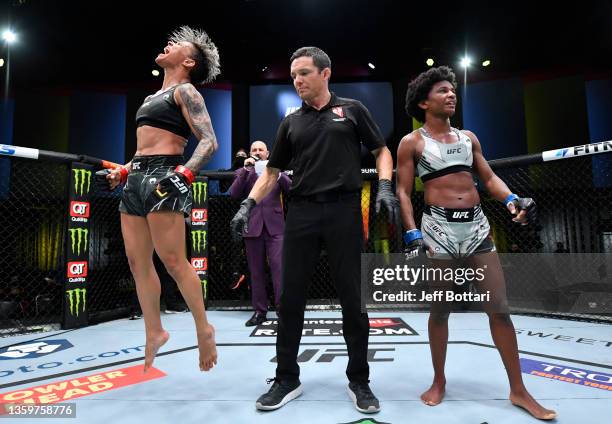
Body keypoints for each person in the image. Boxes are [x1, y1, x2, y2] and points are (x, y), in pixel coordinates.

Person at [231, 46, 399, 413]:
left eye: (304, 73)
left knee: (353, 299)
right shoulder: (291, 122)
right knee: (290, 299)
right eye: (293, 76)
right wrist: (248, 204)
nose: (297, 81)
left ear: (325, 74)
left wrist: (384, 185)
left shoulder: (353, 110)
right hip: (303, 213)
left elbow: (381, 150)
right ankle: (287, 378)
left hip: (344, 210)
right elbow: (272, 172)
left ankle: (360, 381)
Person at [396, 66, 556, 420]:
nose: (451, 94)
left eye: (452, 90)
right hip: (438, 231)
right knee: (440, 311)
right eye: (442, 90)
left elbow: (488, 177)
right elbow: (403, 192)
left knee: (499, 307)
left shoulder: (469, 137)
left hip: (477, 230)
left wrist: (512, 199)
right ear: (424, 101)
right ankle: (438, 380)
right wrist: (412, 233)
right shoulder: (413, 143)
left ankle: (518, 389)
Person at [95, 26, 220, 373]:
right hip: (136, 179)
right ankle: (154, 330)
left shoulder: (187, 91)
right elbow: (142, 150)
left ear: (189, 60)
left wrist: (185, 174)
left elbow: (209, 142)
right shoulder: (151, 98)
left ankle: (203, 328)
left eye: (176, 44)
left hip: (166, 175)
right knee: (137, 263)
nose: (168, 43)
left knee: (174, 261)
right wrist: (122, 171)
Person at [229, 140, 291, 326]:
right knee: (256, 273)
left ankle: (283, 310)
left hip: (276, 227)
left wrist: (279, 174)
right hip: (253, 227)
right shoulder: (243, 172)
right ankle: (260, 311)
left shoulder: (276, 171)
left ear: (267, 153)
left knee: (279, 270)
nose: (257, 152)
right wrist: (246, 170)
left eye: (260, 150)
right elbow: (233, 194)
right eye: (254, 150)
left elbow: (291, 190)